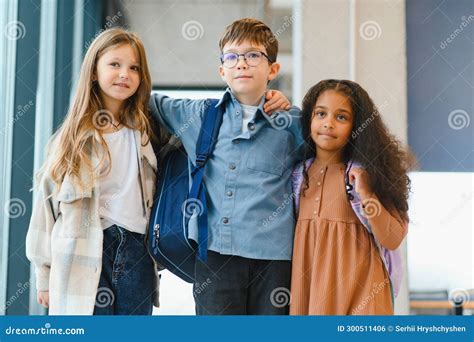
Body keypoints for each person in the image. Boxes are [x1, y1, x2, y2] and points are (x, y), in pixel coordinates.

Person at [149, 18, 304, 315]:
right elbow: (147, 100)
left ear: (272, 69)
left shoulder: (291, 122)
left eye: (253, 55)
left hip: (275, 261)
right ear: (222, 70)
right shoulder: (199, 115)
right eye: (232, 57)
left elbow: (327, 152)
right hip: (216, 256)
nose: (242, 63)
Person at [26, 28, 164, 315]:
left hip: (136, 250)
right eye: (115, 64)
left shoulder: (147, 131)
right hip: (82, 251)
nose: (125, 73)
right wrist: (43, 276)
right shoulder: (70, 140)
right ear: (93, 71)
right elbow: (45, 210)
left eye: (134, 67)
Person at [290, 79, 412, 315]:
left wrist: (366, 194)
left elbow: (392, 239)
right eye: (321, 114)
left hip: (363, 296)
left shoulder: (368, 175)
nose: (328, 123)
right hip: (309, 293)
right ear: (309, 120)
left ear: (358, 126)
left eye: (341, 117)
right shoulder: (296, 176)